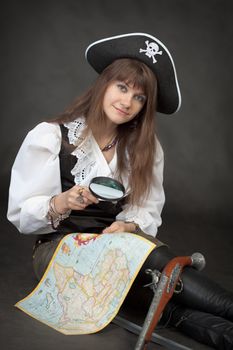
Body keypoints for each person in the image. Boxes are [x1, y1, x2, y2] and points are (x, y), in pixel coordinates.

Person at [7, 32, 233, 349]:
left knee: (156, 289)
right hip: (59, 249)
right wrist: (62, 201)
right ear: (104, 85)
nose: (127, 102)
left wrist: (128, 225)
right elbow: (21, 215)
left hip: (120, 246)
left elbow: (146, 210)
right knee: (143, 263)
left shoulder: (145, 147)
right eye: (122, 87)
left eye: (139, 97)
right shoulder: (50, 136)